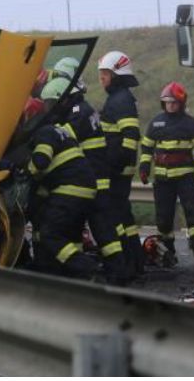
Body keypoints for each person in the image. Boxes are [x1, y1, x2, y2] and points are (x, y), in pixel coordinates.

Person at [44, 74, 130, 284]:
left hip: (93, 180)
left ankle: (114, 274)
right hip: (95, 178)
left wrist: (41, 130)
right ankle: (107, 273)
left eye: (53, 104)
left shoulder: (78, 113)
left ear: (64, 99)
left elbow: (62, 136)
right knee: (93, 228)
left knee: (103, 230)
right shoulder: (85, 109)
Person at [17, 94, 102, 280]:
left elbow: (40, 162)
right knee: (71, 236)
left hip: (70, 190)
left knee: (50, 235)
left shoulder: (44, 133)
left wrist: (24, 171)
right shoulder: (59, 131)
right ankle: (70, 277)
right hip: (84, 190)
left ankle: (87, 268)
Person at [139, 82, 194, 266]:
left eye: (174, 102)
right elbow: (147, 148)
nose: (170, 105)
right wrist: (144, 168)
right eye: (167, 102)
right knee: (163, 219)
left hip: (185, 178)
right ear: (162, 103)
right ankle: (167, 252)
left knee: (193, 214)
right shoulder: (156, 123)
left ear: (181, 103)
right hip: (162, 180)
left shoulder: (191, 124)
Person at [97, 51, 145, 275]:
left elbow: (130, 135)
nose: (102, 78)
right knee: (124, 217)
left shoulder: (121, 100)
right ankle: (135, 261)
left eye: (105, 73)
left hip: (117, 170)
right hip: (119, 167)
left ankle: (125, 262)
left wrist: (115, 165)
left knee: (114, 216)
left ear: (116, 74)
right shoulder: (119, 97)